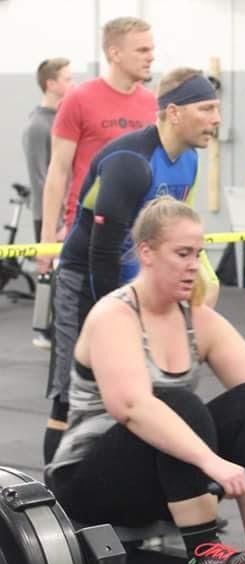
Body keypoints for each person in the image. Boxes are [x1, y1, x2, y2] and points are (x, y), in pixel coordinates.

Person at [45, 197, 245, 564]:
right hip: (88, 485)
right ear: (146, 252)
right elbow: (132, 407)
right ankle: (205, 556)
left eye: (198, 254)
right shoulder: (114, 316)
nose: (193, 264)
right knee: (176, 403)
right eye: (181, 253)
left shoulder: (198, 321)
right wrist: (211, 462)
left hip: (156, 482)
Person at [44, 68, 223, 465]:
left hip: (138, 287)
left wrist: (198, 279)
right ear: (174, 112)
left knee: (144, 392)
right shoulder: (131, 161)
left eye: (217, 109)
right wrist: (118, 319)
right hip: (87, 280)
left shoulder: (189, 161)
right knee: (71, 397)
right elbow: (102, 253)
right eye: (207, 108)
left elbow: (174, 230)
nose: (217, 119)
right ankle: (53, 499)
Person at [39, 17, 157, 257]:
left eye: (151, 49)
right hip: (88, 229)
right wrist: (47, 237)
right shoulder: (78, 99)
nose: (151, 56)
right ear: (115, 53)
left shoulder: (152, 103)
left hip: (138, 232)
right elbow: (58, 170)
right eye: (142, 50)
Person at [22, 57, 74, 350]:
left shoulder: (60, 119)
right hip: (49, 213)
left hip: (66, 211)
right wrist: (55, 224)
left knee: (65, 271)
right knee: (49, 269)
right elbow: (42, 179)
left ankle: (58, 328)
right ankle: (43, 330)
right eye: (67, 79)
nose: (72, 84)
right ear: (51, 84)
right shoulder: (36, 126)